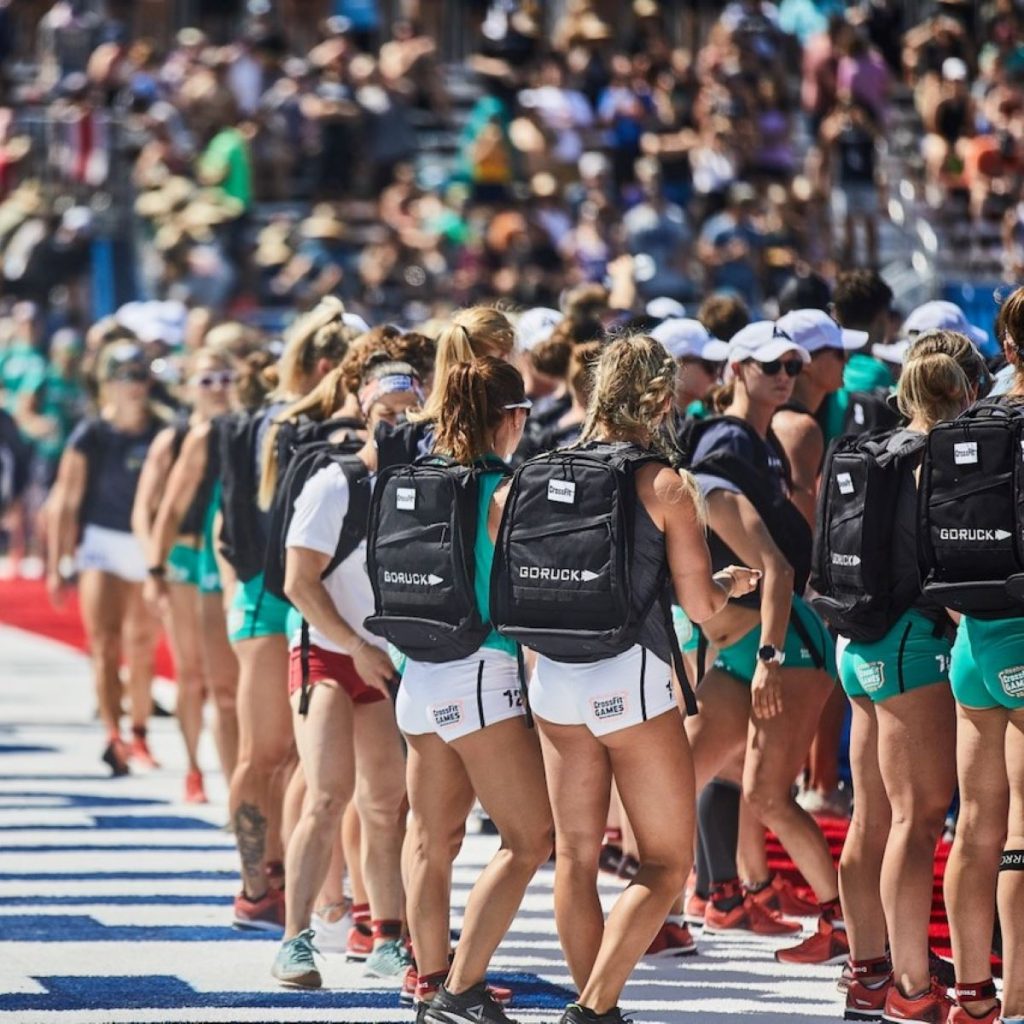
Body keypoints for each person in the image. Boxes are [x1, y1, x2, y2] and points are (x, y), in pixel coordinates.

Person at [526, 336, 760, 1024]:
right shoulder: (664, 482)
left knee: (574, 857)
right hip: (628, 677)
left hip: (553, 679)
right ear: (659, 399)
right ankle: (594, 1008)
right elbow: (699, 607)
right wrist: (729, 588)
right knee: (663, 862)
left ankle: (594, 1005)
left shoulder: (540, 467)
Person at [394, 357, 554, 1023]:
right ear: (512, 418)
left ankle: (432, 981)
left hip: (418, 675)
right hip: (481, 674)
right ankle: (462, 987)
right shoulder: (503, 490)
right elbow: (530, 593)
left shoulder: (416, 476)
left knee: (431, 838)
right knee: (530, 838)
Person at [682, 321, 845, 965]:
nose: (783, 374)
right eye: (768, 364)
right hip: (756, 643)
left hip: (782, 644)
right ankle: (722, 895)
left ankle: (847, 930)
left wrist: (770, 661)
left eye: (790, 365)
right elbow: (770, 566)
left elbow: (778, 568)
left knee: (769, 793)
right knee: (684, 776)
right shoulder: (729, 445)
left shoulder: (754, 444)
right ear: (735, 370)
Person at [836, 331, 985, 1022]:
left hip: (858, 640)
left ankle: (870, 970)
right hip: (906, 644)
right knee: (919, 820)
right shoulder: (942, 462)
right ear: (961, 393)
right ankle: (912, 985)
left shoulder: (876, 451)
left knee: (874, 817)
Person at [271, 361, 421, 988]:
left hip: (381, 658)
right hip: (327, 652)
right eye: (388, 415)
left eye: (411, 416)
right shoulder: (335, 484)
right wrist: (355, 646)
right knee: (327, 795)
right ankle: (294, 938)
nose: (399, 427)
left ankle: (388, 934)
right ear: (364, 413)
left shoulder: (421, 484)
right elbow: (297, 583)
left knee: (386, 807)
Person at [225, 297, 353, 930]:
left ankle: (306, 883)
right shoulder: (264, 422)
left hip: (320, 596)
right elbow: (232, 521)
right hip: (270, 598)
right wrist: (244, 588)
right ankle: (255, 885)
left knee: (310, 761)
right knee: (267, 752)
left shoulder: (343, 430)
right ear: (331, 364)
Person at [944, 289, 1024, 1024]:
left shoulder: (969, 423)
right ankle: (1022, 1001)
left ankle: (972, 998)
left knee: (975, 826)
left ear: (1005, 348)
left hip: (973, 641)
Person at [45, 342, 163, 776]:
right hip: (101, 544)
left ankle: (140, 732)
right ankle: (113, 736)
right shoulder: (90, 435)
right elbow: (65, 501)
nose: (134, 385)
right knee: (105, 646)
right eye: (125, 376)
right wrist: (60, 562)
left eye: (140, 375)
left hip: (144, 544)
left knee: (142, 647)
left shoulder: (162, 431)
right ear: (108, 383)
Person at [132, 347, 235, 803]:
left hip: (226, 561)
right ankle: (194, 767)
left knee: (227, 679)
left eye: (225, 378)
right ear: (188, 386)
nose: (218, 389)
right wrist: (153, 566)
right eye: (207, 380)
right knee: (191, 674)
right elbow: (150, 508)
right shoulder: (173, 439)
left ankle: (234, 774)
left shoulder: (244, 431)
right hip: (182, 557)